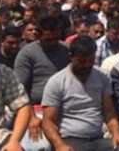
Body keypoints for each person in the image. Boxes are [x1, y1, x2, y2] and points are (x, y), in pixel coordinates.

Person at [41, 35, 119, 151]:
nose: (87, 65)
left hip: (97, 138)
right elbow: (48, 121)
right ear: (71, 57)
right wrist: (59, 145)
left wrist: (117, 134)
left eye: (91, 61)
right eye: (82, 61)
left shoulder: (102, 77)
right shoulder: (56, 82)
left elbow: (109, 113)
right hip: (70, 140)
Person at [14, 17, 70, 151]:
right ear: (38, 36)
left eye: (56, 38)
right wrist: (31, 117)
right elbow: (20, 90)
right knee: (39, 147)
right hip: (37, 108)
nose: (53, 43)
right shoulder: (27, 54)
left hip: (65, 106)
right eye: (48, 40)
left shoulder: (66, 50)